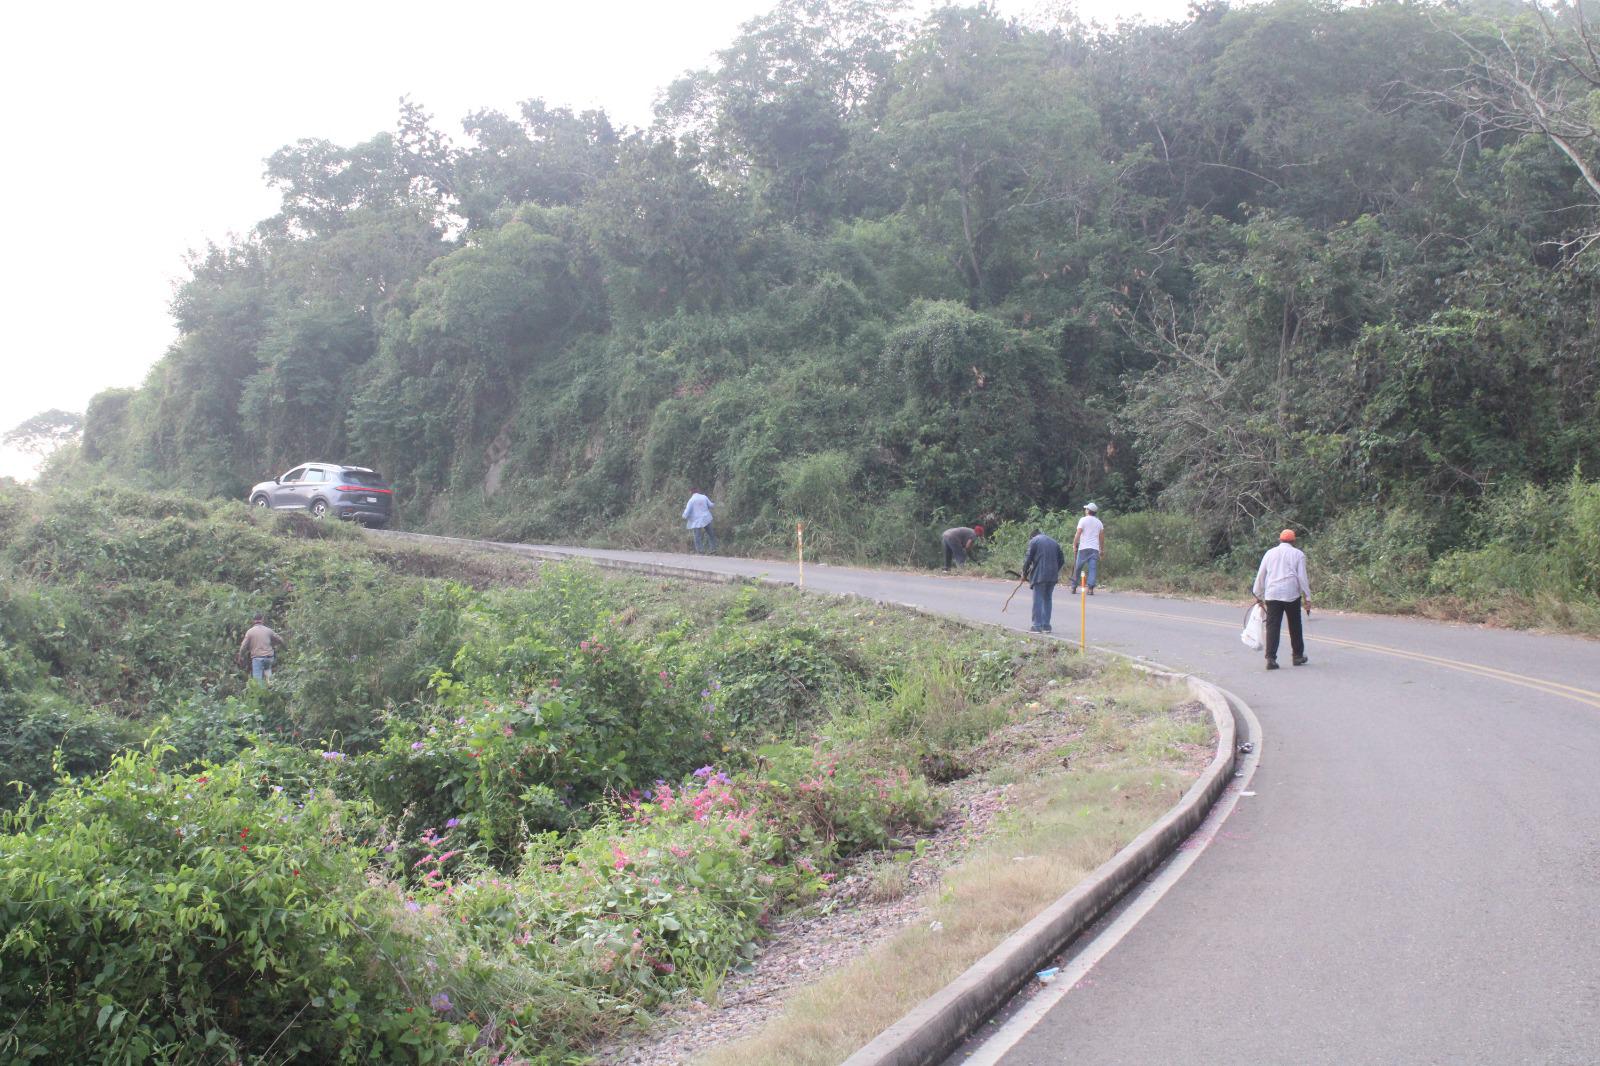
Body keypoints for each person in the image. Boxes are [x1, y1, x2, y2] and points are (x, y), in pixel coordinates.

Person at [1252, 529, 1312, 670]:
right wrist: (1307, 597)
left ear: (1280, 540)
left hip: (1273, 594)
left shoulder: (1270, 553)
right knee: (1295, 625)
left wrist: (1257, 594)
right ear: (1293, 541)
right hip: (1291, 594)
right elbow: (1302, 578)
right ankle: (1297, 656)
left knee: (1273, 626)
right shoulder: (1298, 554)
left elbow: (1261, 574)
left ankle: (1271, 659)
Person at [1022, 529, 1066, 633]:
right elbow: (1062, 560)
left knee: (1038, 599)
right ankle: (1046, 625)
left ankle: (1037, 625)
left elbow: (1028, 559)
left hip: (1040, 574)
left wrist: (1024, 573)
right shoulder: (1054, 542)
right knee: (1047, 598)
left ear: (1032, 536)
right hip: (1052, 575)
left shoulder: (1034, 541)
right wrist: (1055, 569)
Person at [238, 614, 286, 684]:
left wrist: (240, 655)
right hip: (269, 658)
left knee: (257, 681)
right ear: (262, 620)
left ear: (253, 621)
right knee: (268, 675)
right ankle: (271, 688)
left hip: (257, 658)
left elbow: (243, 646)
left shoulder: (250, 632)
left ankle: (260, 693)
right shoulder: (268, 630)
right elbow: (280, 639)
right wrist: (285, 648)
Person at [1070, 502, 1105, 595]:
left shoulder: (1083, 520)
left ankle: (1074, 587)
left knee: (1078, 568)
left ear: (1088, 511)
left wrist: (1074, 544)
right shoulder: (1099, 522)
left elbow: (1078, 533)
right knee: (1092, 569)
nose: (1085, 510)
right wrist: (1101, 550)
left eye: (1086, 509)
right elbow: (1101, 538)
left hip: (1083, 548)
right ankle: (1090, 589)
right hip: (1094, 549)